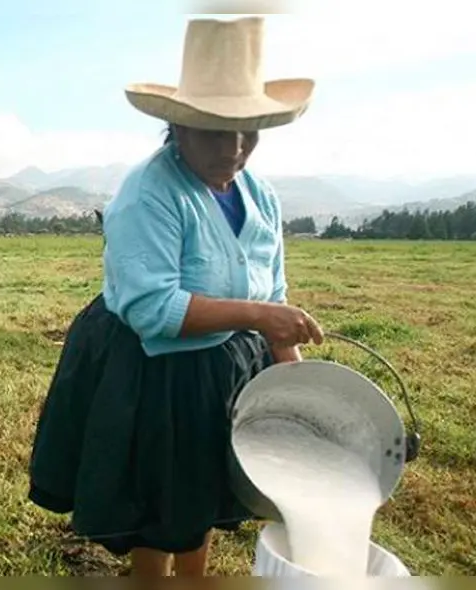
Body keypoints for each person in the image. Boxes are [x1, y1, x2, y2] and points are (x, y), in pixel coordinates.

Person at [27, 16, 326, 577]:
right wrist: (260, 315)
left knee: (201, 496)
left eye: (248, 132)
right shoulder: (150, 194)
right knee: (160, 502)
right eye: (216, 131)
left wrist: (301, 391)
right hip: (155, 373)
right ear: (178, 128)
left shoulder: (258, 194)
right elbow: (153, 310)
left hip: (224, 368)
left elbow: (274, 290)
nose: (235, 148)